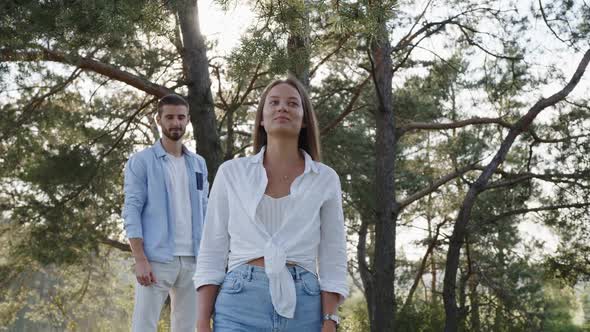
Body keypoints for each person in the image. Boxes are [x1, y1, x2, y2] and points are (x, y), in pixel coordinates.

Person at [194, 77, 348, 332]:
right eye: (274, 102)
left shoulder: (325, 178)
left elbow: (333, 255)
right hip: (239, 303)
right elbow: (212, 248)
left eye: (292, 103)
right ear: (262, 119)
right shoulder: (232, 173)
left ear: (305, 119)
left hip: (305, 305)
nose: (282, 108)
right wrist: (201, 321)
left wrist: (330, 320)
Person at [122, 94, 208, 332]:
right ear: (159, 120)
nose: (176, 123)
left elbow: (206, 209)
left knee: (186, 328)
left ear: (188, 120)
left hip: (193, 260)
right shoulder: (142, 162)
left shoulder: (199, 163)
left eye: (181, 117)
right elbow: (131, 210)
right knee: (144, 327)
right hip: (156, 260)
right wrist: (140, 259)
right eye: (169, 117)